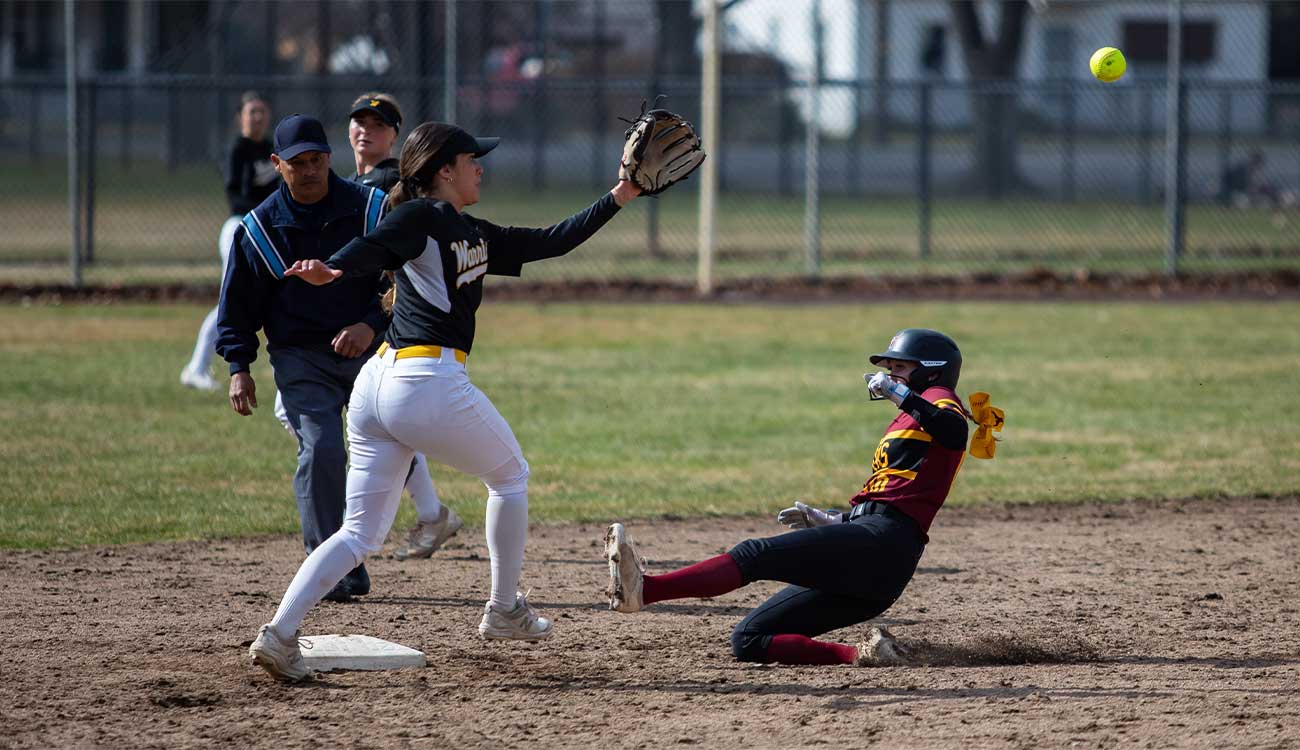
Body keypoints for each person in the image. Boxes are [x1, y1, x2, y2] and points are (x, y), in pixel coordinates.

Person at [247, 120, 642, 682]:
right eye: (470, 158)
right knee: (511, 477)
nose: (480, 166)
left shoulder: (470, 230)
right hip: (424, 380)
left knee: (358, 533)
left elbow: (552, 239)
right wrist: (334, 266)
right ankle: (505, 608)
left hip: (378, 386)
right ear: (442, 171)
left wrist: (620, 194)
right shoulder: (419, 217)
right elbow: (376, 244)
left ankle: (280, 635)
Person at [605, 329, 981, 666]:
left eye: (901, 367)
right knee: (749, 640)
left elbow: (952, 430)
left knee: (754, 555)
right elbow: (898, 492)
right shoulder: (911, 414)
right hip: (879, 557)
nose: (891, 374)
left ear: (932, 370)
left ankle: (646, 590)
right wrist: (834, 520)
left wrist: (900, 394)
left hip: (884, 543)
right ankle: (869, 655)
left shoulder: (940, 400)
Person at [216, 114, 393, 603]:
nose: (310, 169)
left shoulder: (370, 208)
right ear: (277, 165)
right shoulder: (259, 229)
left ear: (329, 158)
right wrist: (238, 368)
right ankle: (328, 567)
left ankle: (361, 550)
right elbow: (236, 307)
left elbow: (400, 284)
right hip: (301, 357)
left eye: (317, 159)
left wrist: (369, 325)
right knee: (322, 449)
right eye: (298, 163)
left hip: (369, 352)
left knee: (390, 451)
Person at [181, 91, 277, 391]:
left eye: (261, 111)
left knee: (273, 297)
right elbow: (236, 195)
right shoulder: (238, 149)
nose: (257, 117)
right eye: (252, 112)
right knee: (229, 300)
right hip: (240, 227)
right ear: (240, 118)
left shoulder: (273, 149)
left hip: (266, 230)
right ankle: (196, 368)